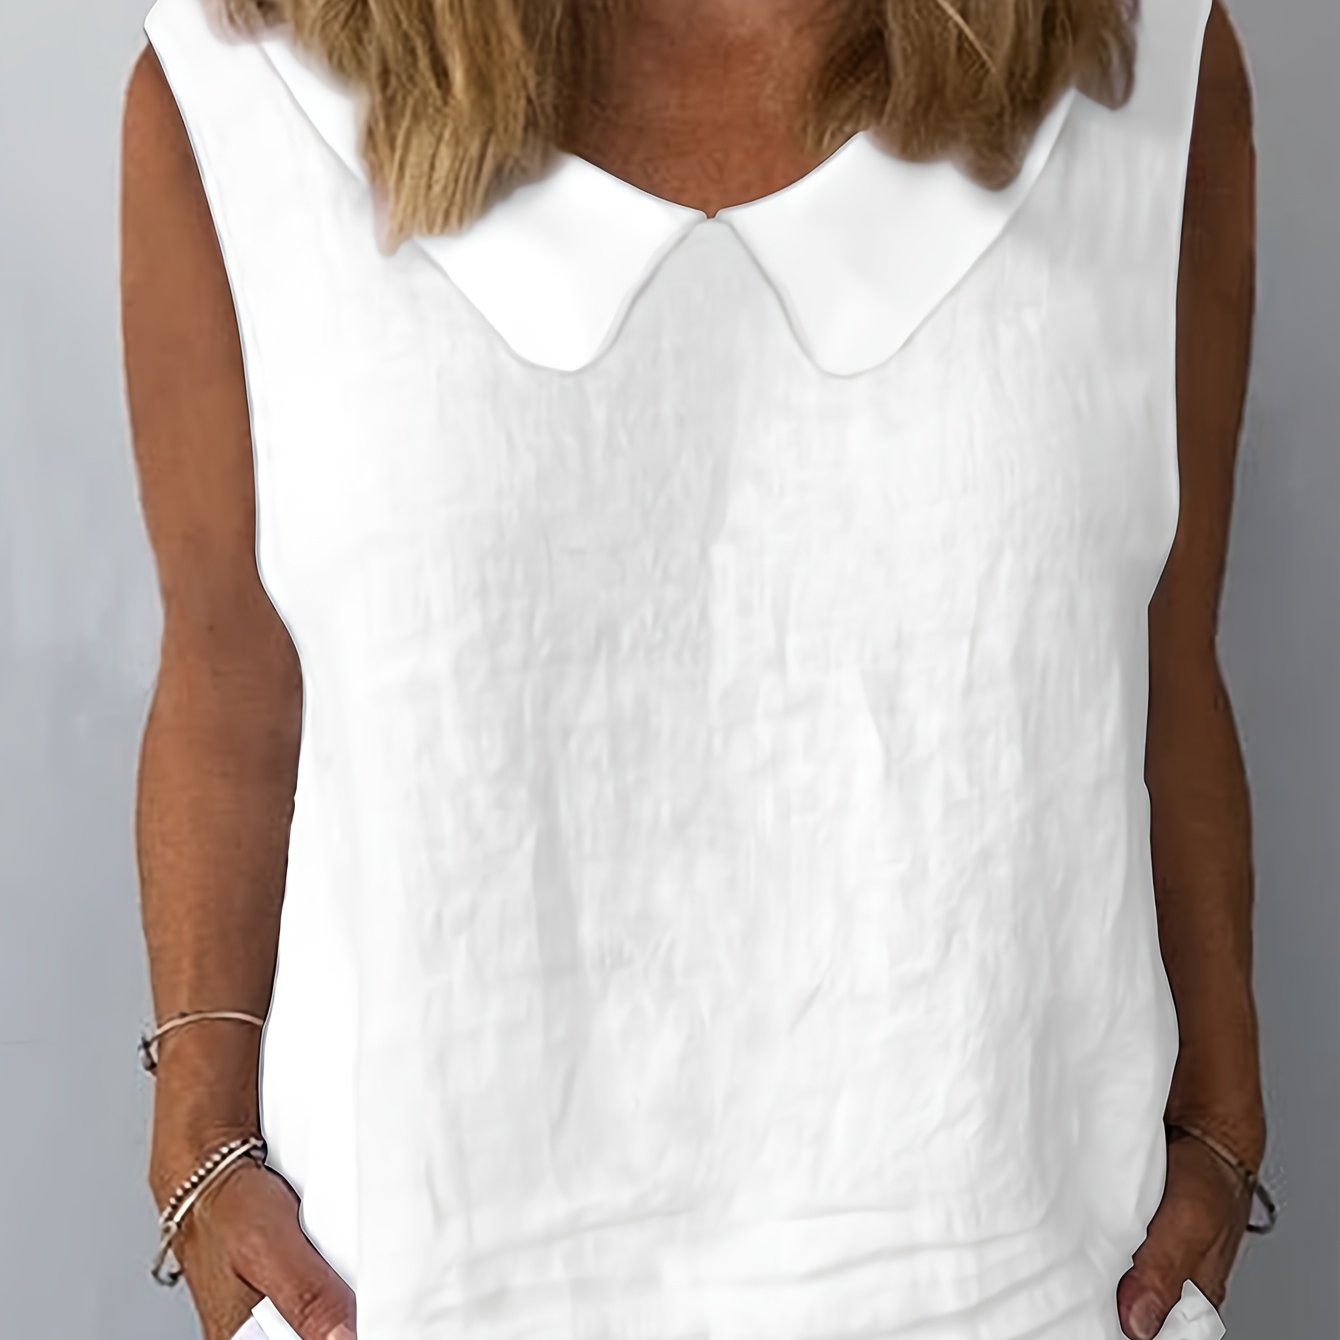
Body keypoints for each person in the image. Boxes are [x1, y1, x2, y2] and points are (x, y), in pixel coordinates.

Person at [119, 0, 1272, 1337]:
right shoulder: (248, 84)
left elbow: (1166, 655)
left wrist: (1224, 1117)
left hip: (1018, 1287)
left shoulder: (1141, 66)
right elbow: (230, 670)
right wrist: (198, 1136)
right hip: (429, 1293)